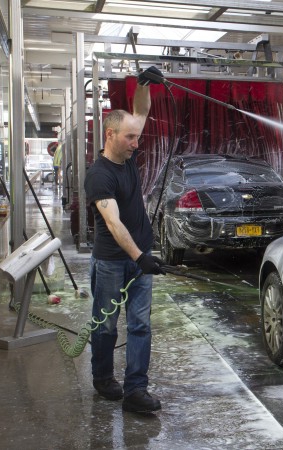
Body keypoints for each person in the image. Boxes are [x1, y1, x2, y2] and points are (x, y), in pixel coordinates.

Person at [84, 66, 166, 414]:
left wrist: (143, 84)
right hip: (111, 263)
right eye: (130, 138)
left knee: (140, 324)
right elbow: (114, 224)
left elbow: (142, 111)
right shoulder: (99, 175)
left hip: (138, 258)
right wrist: (139, 257)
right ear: (110, 135)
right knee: (106, 327)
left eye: (137, 137)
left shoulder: (128, 150)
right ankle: (103, 377)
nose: (137, 143)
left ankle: (136, 390)